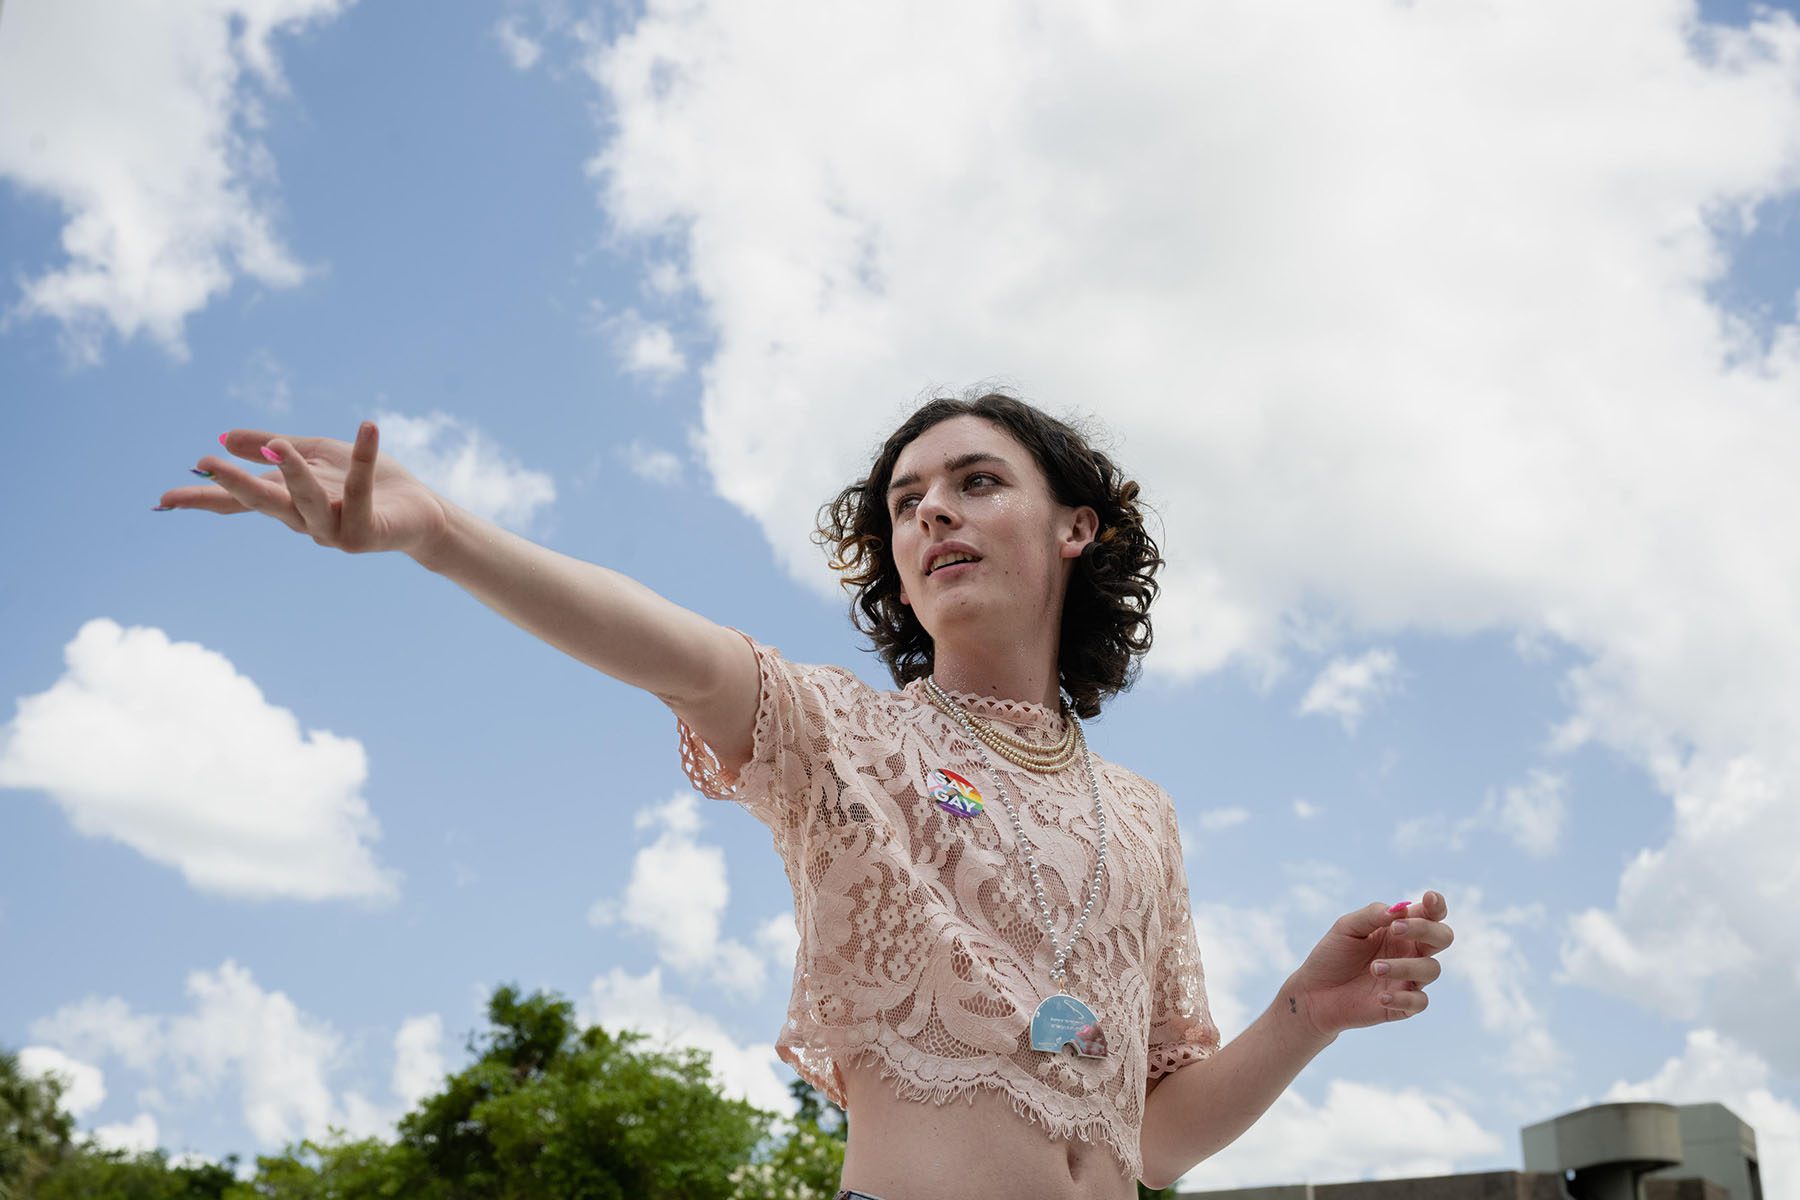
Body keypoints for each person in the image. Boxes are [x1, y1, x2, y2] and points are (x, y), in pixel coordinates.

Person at [157, 389, 1455, 1198]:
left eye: (976, 481)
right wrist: (445, 536)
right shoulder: (852, 741)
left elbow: (1155, 1144)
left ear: (1075, 528)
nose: (933, 511)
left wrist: (1306, 1010)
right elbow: (673, 650)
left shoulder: (1145, 812)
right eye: (906, 502)